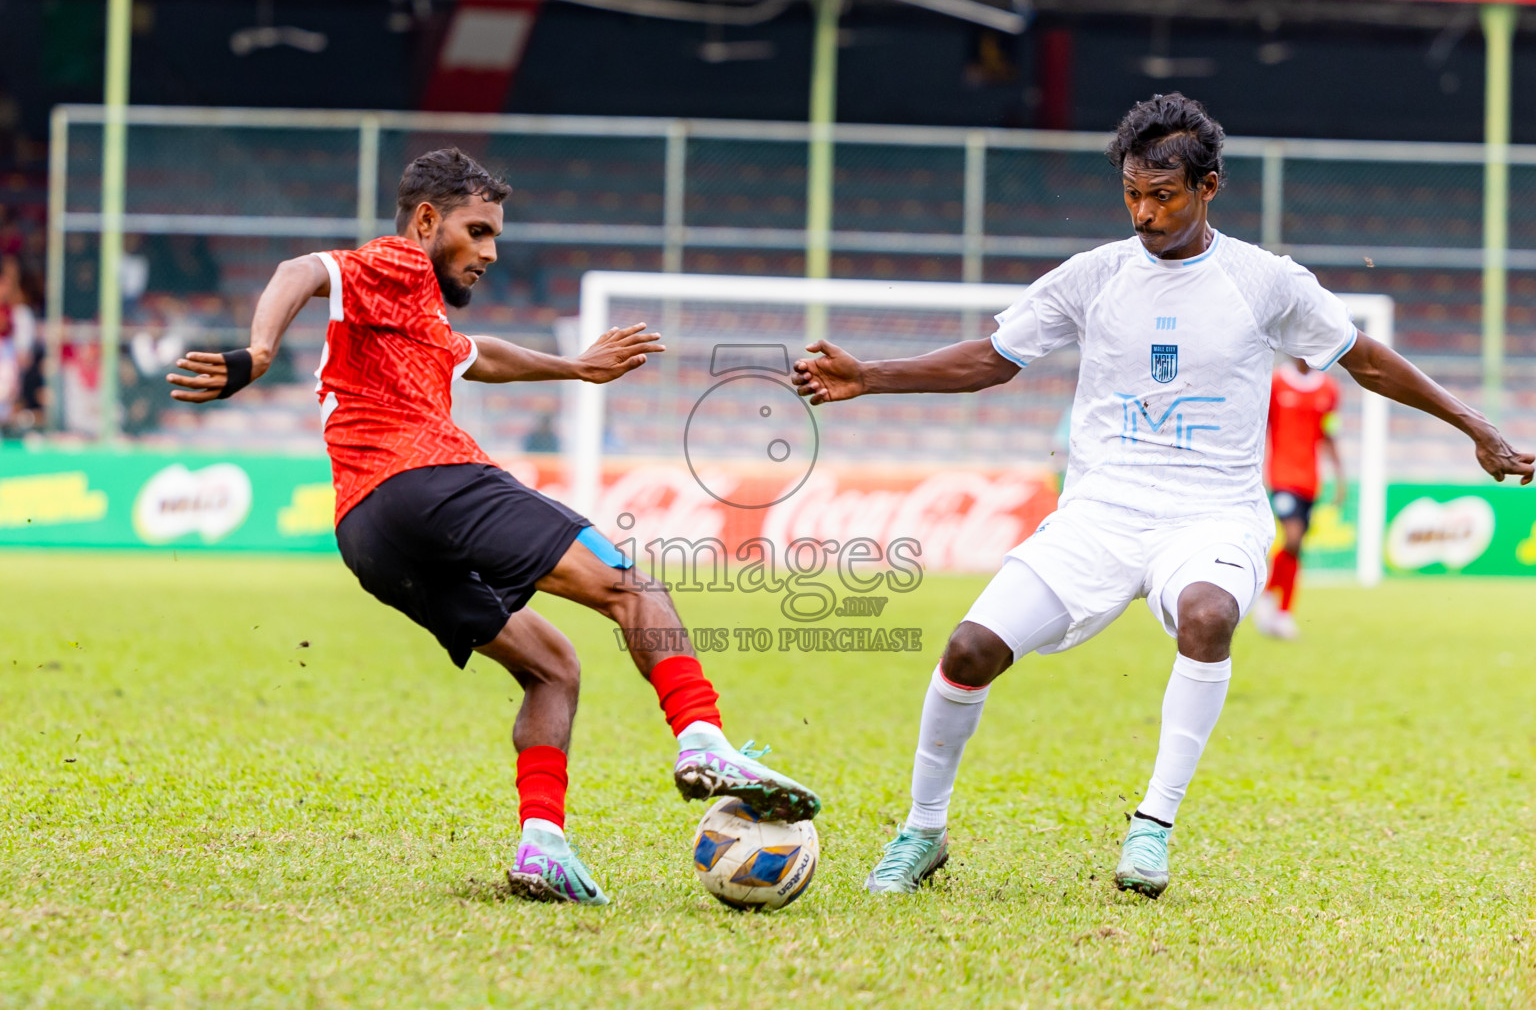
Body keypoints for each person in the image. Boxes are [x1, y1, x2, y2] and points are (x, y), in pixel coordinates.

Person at [790, 93, 1532, 900]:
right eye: (1132, 194)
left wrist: (1474, 423)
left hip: (1212, 513)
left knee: (1210, 615)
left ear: (1208, 186)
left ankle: (1153, 827)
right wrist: (872, 376)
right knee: (969, 649)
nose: (1144, 213)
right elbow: (995, 358)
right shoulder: (1094, 276)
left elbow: (1365, 358)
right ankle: (922, 831)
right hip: (1101, 514)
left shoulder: (1265, 281)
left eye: (1163, 195)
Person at [167, 148, 820, 906]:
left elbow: (480, 358)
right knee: (633, 587)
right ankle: (705, 740)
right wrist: (259, 352)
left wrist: (575, 368)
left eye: (495, 236)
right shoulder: (397, 265)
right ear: (425, 221)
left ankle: (541, 844)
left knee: (552, 665)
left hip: (368, 533)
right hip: (428, 478)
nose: (489, 252)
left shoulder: (414, 318)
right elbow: (300, 270)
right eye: (477, 231)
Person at [1252, 358, 1345, 640]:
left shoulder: (1328, 389)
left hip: (1310, 481)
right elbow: (1258, 429)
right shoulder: (1276, 383)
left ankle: (1283, 613)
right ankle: (1268, 597)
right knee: (1292, 538)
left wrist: (1340, 478)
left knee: (1297, 547)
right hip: (1281, 477)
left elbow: (1328, 434)